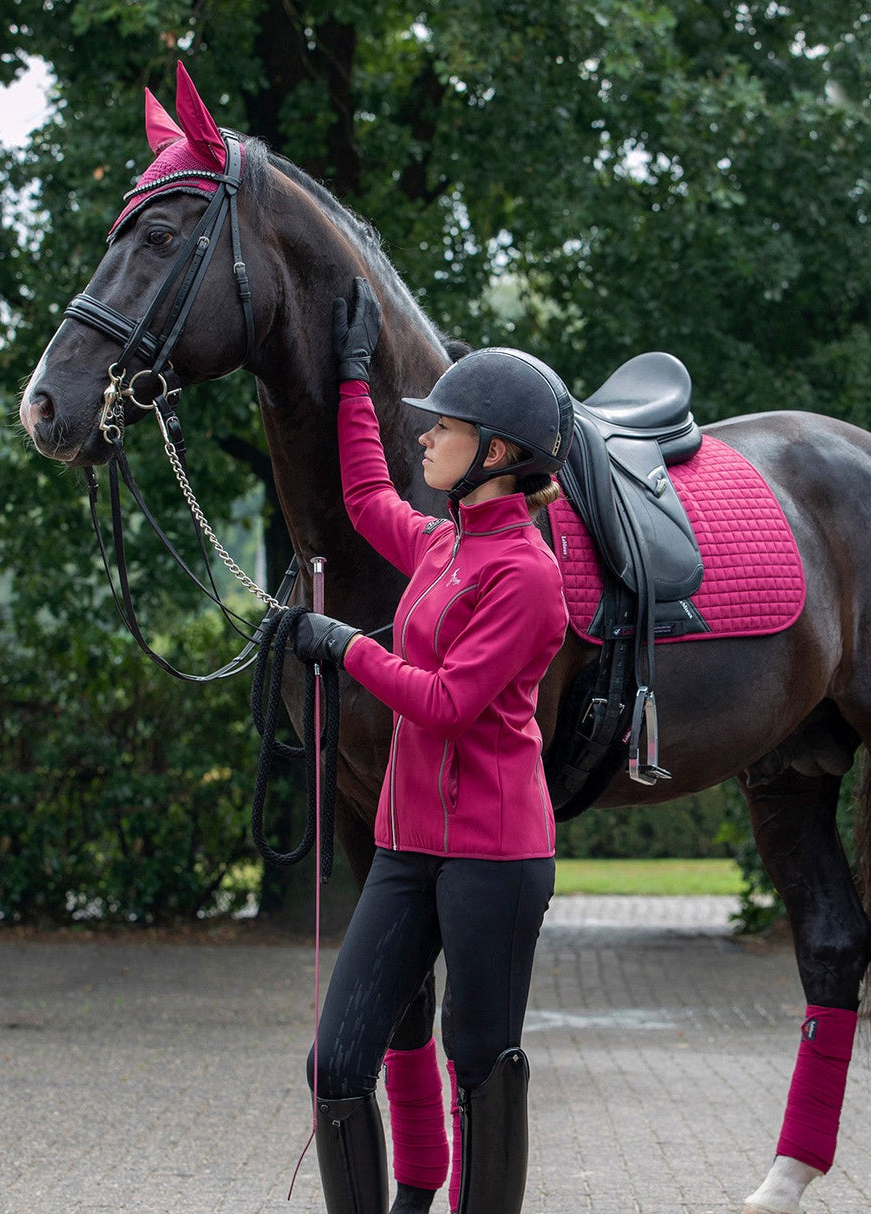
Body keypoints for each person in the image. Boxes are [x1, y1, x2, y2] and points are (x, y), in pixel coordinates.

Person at [291, 277, 573, 1214]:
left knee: (479, 1065)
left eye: (443, 428)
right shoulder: (445, 545)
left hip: (495, 859)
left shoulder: (527, 574)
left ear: (496, 453)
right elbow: (369, 494)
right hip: (408, 849)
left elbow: (450, 704)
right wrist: (349, 376)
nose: (426, 437)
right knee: (336, 1061)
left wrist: (348, 647)